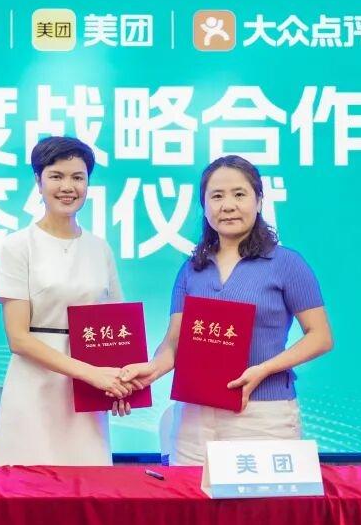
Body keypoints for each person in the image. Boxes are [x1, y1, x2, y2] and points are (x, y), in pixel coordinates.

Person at [119, 155, 333, 465]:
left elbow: (320, 336)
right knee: (191, 497)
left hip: (263, 415)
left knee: (260, 499)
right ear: (204, 206)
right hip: (194, 418)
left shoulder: (287, 263)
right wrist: (150, 371)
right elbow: (175, 343)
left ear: (259, 201)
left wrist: (263, 369)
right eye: (217, 196)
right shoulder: (191, 269)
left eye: (239, 194)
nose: (228, 205)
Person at [0, 136, 131, 465]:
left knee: (89, 483)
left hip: (89, 392)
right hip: (35, 386)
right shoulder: (18, 246)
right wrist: (91, 374)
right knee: (28, 484)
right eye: (56, 176)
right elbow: (18, 338)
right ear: (38, 182)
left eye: (78, 177)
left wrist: (123, 386)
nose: (68, 187)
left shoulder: (100, 248)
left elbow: (119, 327)